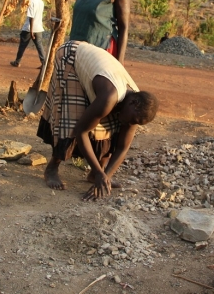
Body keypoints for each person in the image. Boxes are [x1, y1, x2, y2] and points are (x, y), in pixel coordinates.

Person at [37, 41, 158, 201]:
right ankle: (52, 167)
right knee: (72, 120)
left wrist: (104, 176)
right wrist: (102, 174)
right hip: (70, 57)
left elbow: (123, 146)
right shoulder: (110, 97)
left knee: (110, 127)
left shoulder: (136, 105)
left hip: (95, 69)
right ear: (133, 103)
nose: (131, 124)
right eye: (133, 120)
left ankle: (95, 175)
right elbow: (81, 132)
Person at [10, 0, 45, 68]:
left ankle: (17, 62)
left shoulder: (31, 2)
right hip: (39, 28)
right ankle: (44, 63)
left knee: (22, 45)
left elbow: (31, 17)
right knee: (39, 45)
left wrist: (31, 31)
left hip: (29, 28)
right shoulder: (41, 2)